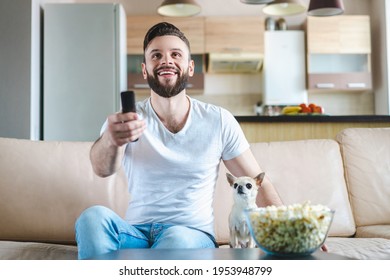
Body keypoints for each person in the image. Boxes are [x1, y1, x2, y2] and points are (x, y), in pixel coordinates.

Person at [75, 22, 283, 260]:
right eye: (156, 55)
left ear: (190, 67)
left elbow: (259, 184)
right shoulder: (126, 121)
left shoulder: (219, 120)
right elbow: (102, 169)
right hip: (136, 233)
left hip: (192, 235)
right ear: (145, 70)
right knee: (91, 219)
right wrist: (112, 140)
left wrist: (292, 235)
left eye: (176, 54)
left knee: (176, 238)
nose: (166, 61)